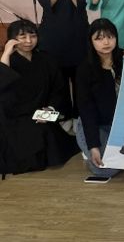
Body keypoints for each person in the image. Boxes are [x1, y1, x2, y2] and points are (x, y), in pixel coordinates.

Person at [0, 20, 79, 175]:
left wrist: (50, 109)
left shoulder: (46, 59)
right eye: (22, 37)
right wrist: (6, 53)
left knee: (48, 134)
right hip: (16, 116)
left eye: (33, 36)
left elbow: (58, 90)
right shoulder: (9, 61)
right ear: (12, 39)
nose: (28, 41)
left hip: (42, 112)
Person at [34, 0, 93, 119]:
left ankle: (80, 117)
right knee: (57, 81)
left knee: (80, 80)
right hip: (52, 36)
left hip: (77, 34)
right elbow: (47, 3)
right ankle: (62, 117)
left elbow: (81, 4)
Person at [75, 19, 124, 181]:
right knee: (105, 170)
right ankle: (89, 148)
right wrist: (93, 146)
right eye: (99, 38)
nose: (106, 42)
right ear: (91, 41)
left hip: (120, 125)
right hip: (96, 124)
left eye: (110, 37)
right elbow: (86, 110)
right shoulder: (85, 69)